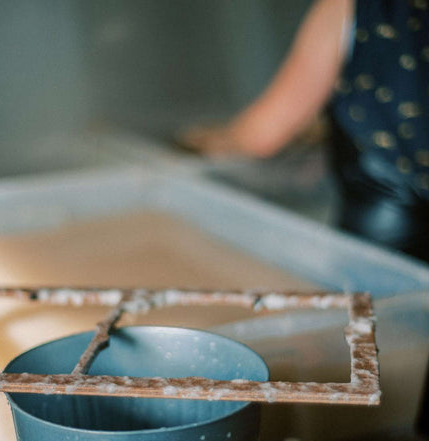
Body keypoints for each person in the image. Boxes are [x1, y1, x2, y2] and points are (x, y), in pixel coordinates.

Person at [181, 0, 429, 263]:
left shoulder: (353, 6)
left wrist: (200, 143)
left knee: (371, 296)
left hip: (388, 229)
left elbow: (261, 136)